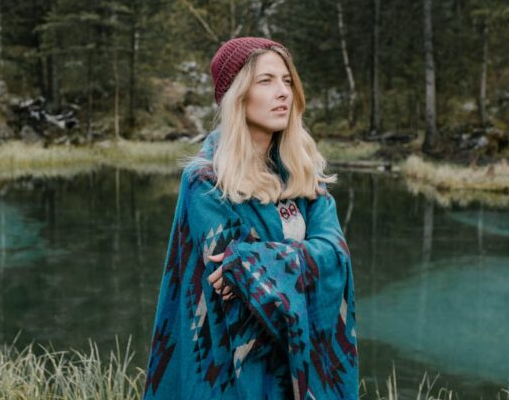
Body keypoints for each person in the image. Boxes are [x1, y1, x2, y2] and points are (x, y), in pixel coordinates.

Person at [143, 37, 358, 400]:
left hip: (299, 374)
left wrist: (249, 265)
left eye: (287, 81)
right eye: (266, 81)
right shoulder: (206, 182)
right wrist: (283, 264)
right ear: (237, 95)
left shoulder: (305, 176)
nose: (283, 93)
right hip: (231, 373)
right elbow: (237, 298)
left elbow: (336, 256)